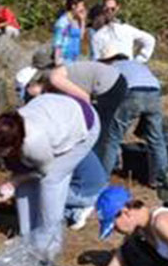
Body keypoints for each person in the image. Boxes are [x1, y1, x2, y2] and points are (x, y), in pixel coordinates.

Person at [0, 90, 100, 264]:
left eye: (0, 151)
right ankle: (28, 240)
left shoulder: (34, 143)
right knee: (23, 178)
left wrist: (14, 182)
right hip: (52, 112)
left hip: (82, 123)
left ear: (15, 145)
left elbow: (45, 171)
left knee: (52, 182)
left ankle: (48, 248)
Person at [18, 51, 124, 229]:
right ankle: (75, 207)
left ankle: (75, 211)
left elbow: (45, 171)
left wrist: (17, 180)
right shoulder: (64, 126)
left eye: (24, 91)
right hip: (96, 185)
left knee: (38, 188)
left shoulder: (57, 138)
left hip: (87, 192)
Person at [94, 40, 168, 187]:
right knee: (156, 140)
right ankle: (159, 180)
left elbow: (106, 93)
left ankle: (102, 180)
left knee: (113, 139)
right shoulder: (137, 64)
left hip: (132, 93)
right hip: (154, 93)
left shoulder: (111, 68)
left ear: (107, 60)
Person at [90, 0, 155, 63]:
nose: (110, 12)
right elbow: (96, 59)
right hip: (108, 67)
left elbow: (150, 40)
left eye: (112, 9)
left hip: (127, 66)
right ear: (103, 9)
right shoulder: (97, 36)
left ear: (117, 8)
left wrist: (138, 61)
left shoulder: (126, 29)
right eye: (107, 9)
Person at [52, 0, 87, 64]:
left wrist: (83, 20)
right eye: (81, 6)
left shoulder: (76, 20)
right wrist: (57, 61)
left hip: (75, 58)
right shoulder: (63, 22)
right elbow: (58, 42)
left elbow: (81, 37)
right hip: (64, 59)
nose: (83, 8)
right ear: (73, 6)